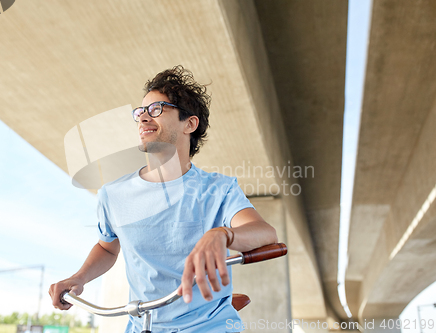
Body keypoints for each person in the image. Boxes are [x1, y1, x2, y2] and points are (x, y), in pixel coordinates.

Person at [49, 65, 278, 332]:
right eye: (141, 112)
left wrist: (224, 234)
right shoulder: (113, 194)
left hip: (209, 325)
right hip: (142, 324)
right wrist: (79, 278)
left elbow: (265, 233)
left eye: (157, 109)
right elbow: (108, 247)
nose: (144, 118)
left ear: (189, 124)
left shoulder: (219, 189)